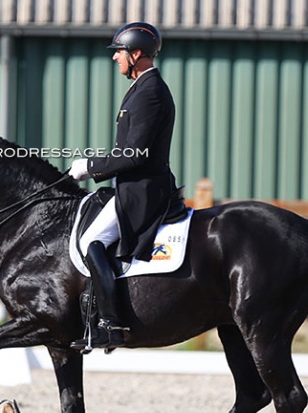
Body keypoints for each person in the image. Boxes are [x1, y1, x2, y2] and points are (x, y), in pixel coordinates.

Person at [69, 22, 179, 350]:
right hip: (132, 187)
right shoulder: (141, 88)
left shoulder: (151, 93)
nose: (115, 57)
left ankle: (110, 324)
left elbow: (133, 155)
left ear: (136, 54)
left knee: (92, 241)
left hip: (143, 191)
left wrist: (90, 167)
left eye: (119, 51)